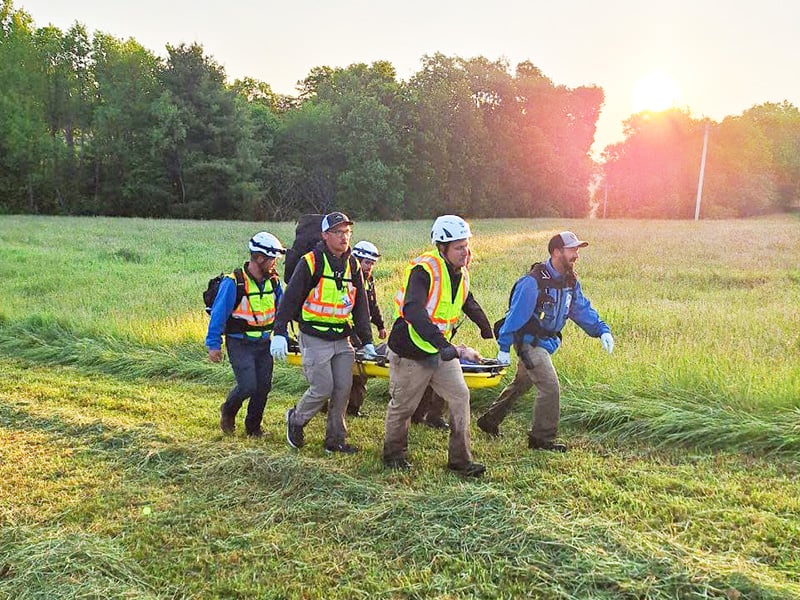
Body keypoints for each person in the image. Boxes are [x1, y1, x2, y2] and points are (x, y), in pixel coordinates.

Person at [476, 231, 614, 452]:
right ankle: (541, 439)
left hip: (547, 342)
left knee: (522, 384)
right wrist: (503, 348)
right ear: (556, 252)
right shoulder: (533, 282)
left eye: (577, 250)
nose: (576, 254)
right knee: (550, 387)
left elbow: (580, 309)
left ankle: (489, 420)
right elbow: (515, 316)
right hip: (529, 343)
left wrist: (601, 330)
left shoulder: (570, 281)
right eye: (572, 250)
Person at [382, 215, 490, 477]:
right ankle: (393, 454)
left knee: (460, 396)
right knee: (404, 406)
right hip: (410, 349)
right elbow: (413, 311)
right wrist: (443, 344)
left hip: (439, 350)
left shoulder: (460, 273)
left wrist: (487, 327)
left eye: (466, 245)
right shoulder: (424, 270)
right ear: (442, 247)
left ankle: (460, 461)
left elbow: (467, 301)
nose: (466, 252)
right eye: (459, 247)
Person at [270, 211, 377, 454]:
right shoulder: (311, 262)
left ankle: (335, 440)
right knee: (323, 388)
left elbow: (361, 306)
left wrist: (367, 341)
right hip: (314, 337)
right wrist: (279, 331)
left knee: (342, 389)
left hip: (342, 338)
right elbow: (290, 300)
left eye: (347, 232)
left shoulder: (353, 265)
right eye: (338, 232)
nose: (344, 237)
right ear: (325, 235)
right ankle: (296, 419)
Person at [206, 232, 285, 438]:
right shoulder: (234, 283)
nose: (275, 264)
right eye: (272, 259)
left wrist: (284, 335)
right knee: (249, 385)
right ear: (259, 258)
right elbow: (218, 315)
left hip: (264, 344)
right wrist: (213, 345)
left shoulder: (274, 283)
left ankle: (253, 429)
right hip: (240, 343)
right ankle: (228, 410)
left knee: (263, 387)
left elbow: (283, 309)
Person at [346, 240, 387, 417]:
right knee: (351, 372)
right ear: (357, 260)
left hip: (362, 332)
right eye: (367, 263)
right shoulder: (349, 280)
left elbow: (372, 306)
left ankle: (353, 407)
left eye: (372, 264)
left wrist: (380, 325)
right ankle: (339, 405)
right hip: (348, 332)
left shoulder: (369, 281)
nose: (370, 267)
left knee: (360, 372)